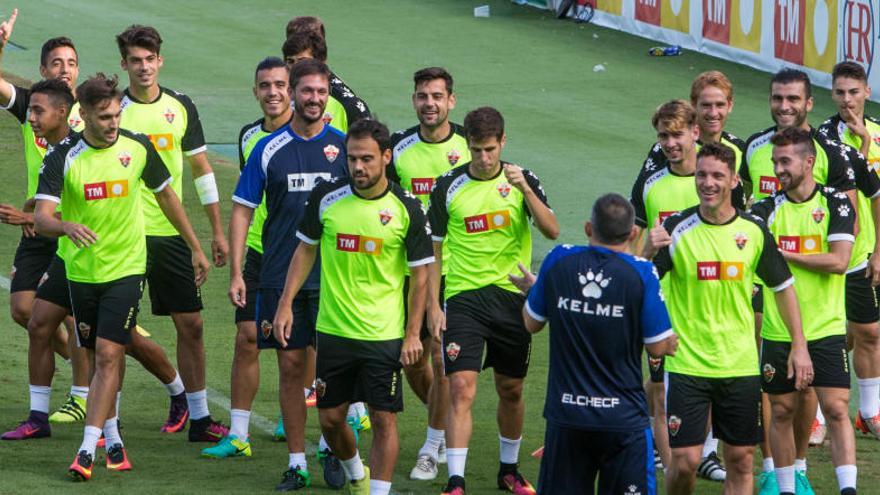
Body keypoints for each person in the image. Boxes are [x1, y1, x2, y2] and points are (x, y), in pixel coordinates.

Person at [32, 73, 209, 481]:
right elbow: (42, 218)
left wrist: (195, 246)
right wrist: (65, 227)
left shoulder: (137, 147)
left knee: (110, 354)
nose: (113, 123)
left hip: (128, 269)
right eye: (104, 117)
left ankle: (85, 450)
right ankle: (112, 438)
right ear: (85, 116)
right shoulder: (63, 157)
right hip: (82, 271)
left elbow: (166, 194)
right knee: (95, 355)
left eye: (116, 115)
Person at [273, 118, 434, 495]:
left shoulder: (406, 208)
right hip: (333, 331)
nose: (358, 167)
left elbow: (421, 277)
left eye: (366, 159)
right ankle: (355, 473)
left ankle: (375, 491)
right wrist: (285, 304)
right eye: (351, 159)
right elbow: (305, 249)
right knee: (330, 419)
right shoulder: (327, 198)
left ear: (386, 157)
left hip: (383, 334)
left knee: (383, 419)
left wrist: (413, 333)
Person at [642, 143, 813, 495]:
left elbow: (783, 287)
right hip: (688, 364)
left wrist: (799, 345)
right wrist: (646, 251)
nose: (708, 182)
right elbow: (642, 283)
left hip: (740, 365)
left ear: (735, 180)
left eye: (718, 175)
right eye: (702, 174)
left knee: (740, 459)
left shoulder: (753, 231)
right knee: (686, 462)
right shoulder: (676, 228)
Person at [228, 59, 349, 491]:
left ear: (328, 95)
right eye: (307, 91)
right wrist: (240, 271)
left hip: (337, 280)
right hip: (280, 277)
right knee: (290, 368)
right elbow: (243, 209)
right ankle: (297, 462)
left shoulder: (346, 147)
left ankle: (332, 448)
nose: (314, 99)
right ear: (294, 93)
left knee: (330, 373)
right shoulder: (268, 147)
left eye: (321, 92)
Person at [741, 68, 861, 493]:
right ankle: (786, 487)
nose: (779, 170)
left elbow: (839, 260)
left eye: (785, 162)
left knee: (837, 407)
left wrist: (783, 253)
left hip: (826, 325)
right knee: (780, 411)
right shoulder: (765, 210)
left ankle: (846, 488)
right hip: (777, 326)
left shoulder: (833, 204)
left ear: (809, 162)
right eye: (775, 163)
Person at [428, 107, 559, 495]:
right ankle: (455, 481)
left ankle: (509, 471)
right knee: (461, 388)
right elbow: (433, 250)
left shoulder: (522, 179)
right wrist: (434, 306)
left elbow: (551, 230)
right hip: (464, 297)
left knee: (511, 389)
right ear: (466, 146)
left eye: (489, 149)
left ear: (503, 142)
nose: (483, 159)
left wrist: (526, 191)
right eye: (475, 150)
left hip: (511, 299)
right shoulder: (448, 185)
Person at [509, 193, 677, 494]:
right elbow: (657, 347)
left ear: (588, 228)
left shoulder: (558, 261)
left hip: (567, 415)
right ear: (633, 232)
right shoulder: (641, 273)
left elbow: (531, 323)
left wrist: (538, 292)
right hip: (622, 419)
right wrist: (669, 341)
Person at [115, 24, 229, 440]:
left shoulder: (180, 106)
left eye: (150, 60)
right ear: (123, 64)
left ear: (160, 61)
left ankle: (198, 417)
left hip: (170, 234)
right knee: (115, 327)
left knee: (192, 325)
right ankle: (111, 422)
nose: (143, 67)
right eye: (135, 61)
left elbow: (201, 171)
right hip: (124, 234)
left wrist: (216, 231)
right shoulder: (114, 109)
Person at [202, 57, 294, 462]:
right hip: (259, 252)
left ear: (290, 89)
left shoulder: (318, 136)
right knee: (247, 338)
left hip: (302, 256)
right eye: (264, 86)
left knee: (300, 348)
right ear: (254, 91)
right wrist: (237, 267)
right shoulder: (248, 137)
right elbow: (246, 202)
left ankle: (312, 421)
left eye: (279, 85)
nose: (272, 93)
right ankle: (239, 433)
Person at [387, 66, 470, 481]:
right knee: (412, 360)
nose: (429, 103)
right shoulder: (398, 149)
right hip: (404, 270)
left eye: (437, 96)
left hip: (453, 270)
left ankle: (432, 445)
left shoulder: (468, 148)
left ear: (451, 100)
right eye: (422, 96)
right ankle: (441, 418)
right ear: (414, 99)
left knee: (440, 361)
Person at [818, 61, 880, 442]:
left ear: (867, 93)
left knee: (869, 332)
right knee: (827, 334)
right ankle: (820, 417)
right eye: (839, 92)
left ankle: (869, 412)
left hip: (867, 253)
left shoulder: (879, 133)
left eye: (853, 92)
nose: (847, 99)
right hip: (830, 254)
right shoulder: (822, 136)